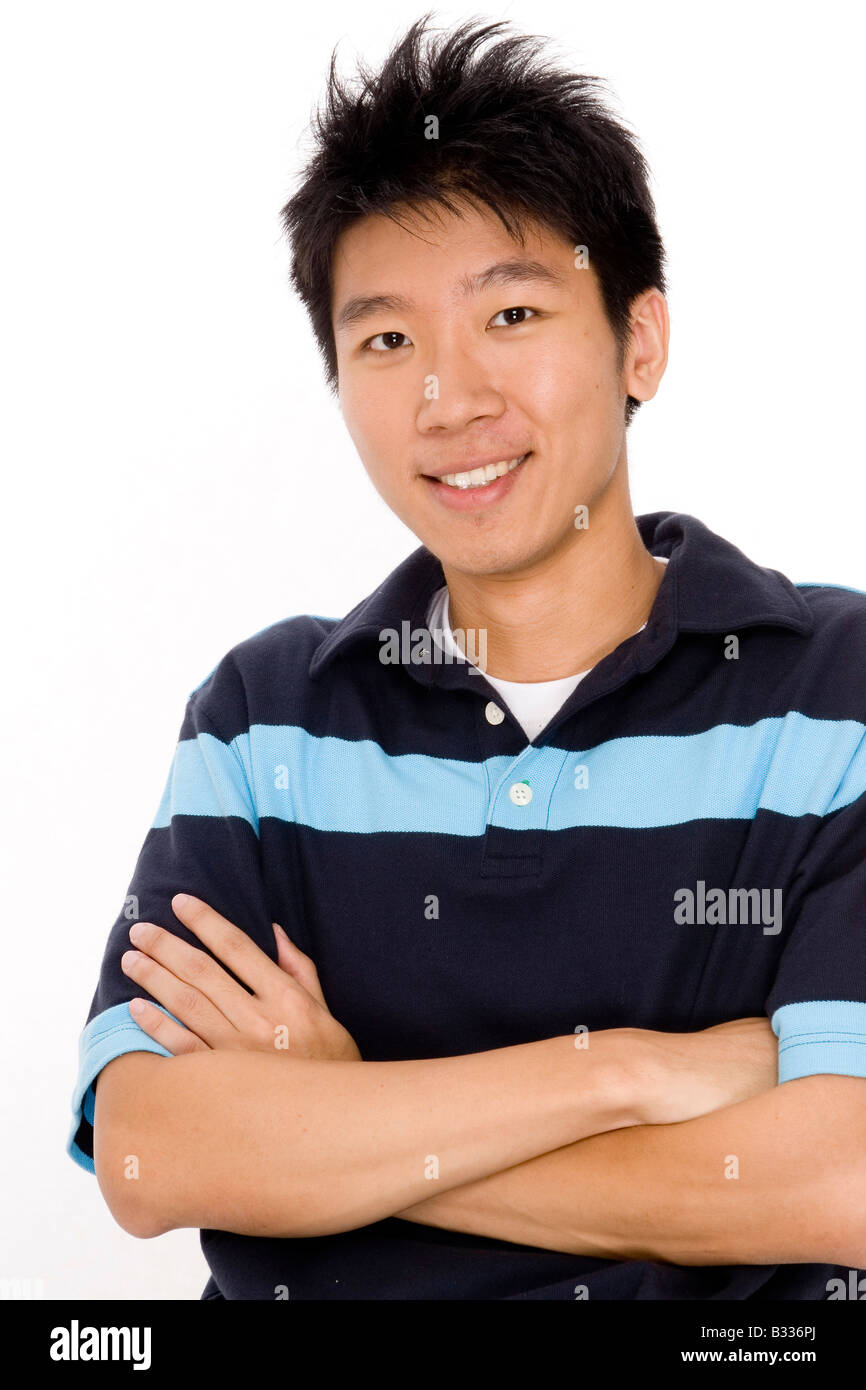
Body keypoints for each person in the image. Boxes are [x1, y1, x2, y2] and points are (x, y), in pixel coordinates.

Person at [67, 15, 866, 1300]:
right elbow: (157, 1157)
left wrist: (340, 1121)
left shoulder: (833, 690)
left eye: (509, 311)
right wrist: (625, 1072)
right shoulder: (267, 718)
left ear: (638, 339)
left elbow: (836, 1180)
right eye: (385, 340)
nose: (448, 396)